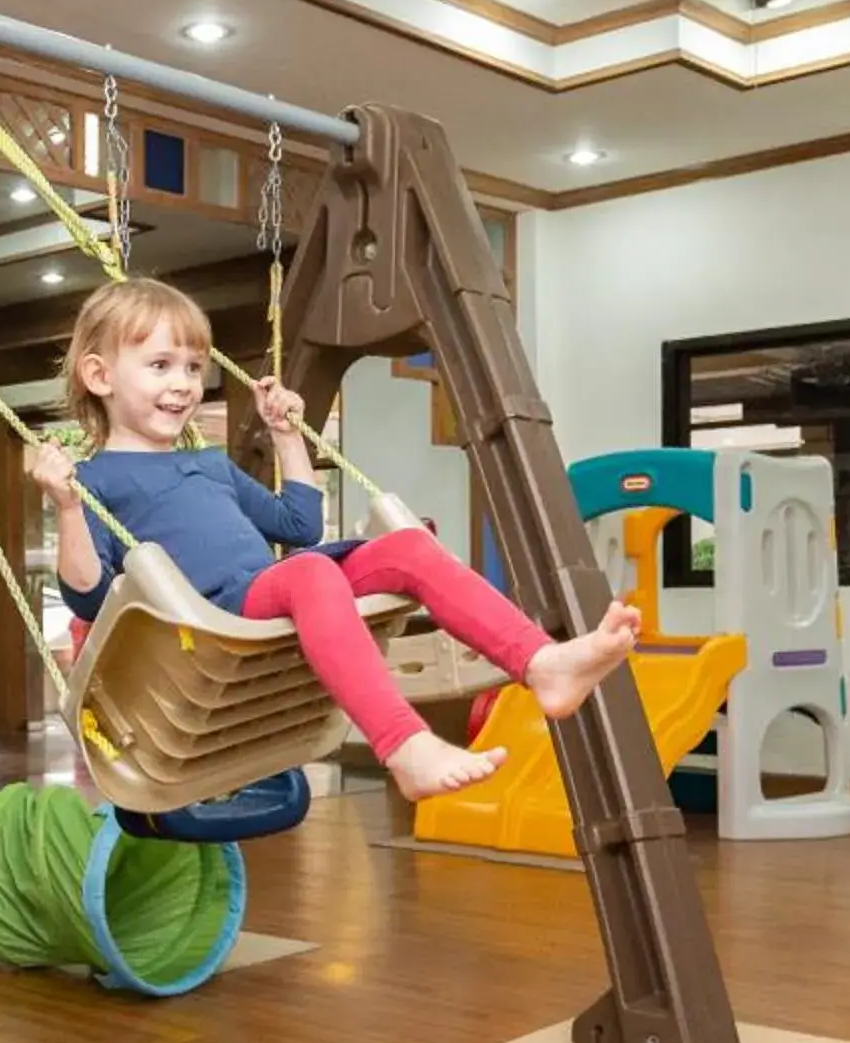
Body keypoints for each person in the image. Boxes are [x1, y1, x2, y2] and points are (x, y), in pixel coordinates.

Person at [34, 277, 638, 801]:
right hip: (209, 618)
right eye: (161, 365)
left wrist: (289, 438)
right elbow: (88, 597)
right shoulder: (92, 481)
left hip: (268, 590)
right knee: (311, 573)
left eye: (194, 367)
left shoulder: (211, 466)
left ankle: (541, 662)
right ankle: (405, 746)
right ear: (99, 375)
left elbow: (297, 526)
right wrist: (64, 507)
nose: (185, 383)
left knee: (406, 548)